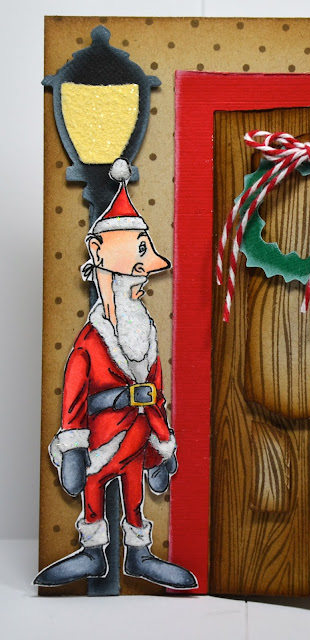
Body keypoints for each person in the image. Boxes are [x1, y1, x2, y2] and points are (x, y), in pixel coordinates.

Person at [34, 159, 197, 590]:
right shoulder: (90, 342)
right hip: (101, 440)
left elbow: (156, 392)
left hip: (140, 440)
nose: (144, 280)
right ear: (105, 264)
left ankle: (139, 556)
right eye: (137, 270)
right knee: (93, 485)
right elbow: (74, 395)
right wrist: (73, 447)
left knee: (134, 496)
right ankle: (92, 553)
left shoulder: (146, 335)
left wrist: (164, 444)